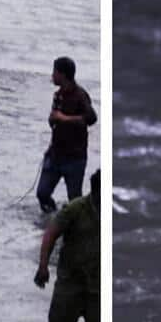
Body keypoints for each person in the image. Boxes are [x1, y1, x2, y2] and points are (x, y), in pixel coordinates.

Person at [34, 169, 99, 322]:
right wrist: (43, 266)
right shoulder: (75, 209)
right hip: (71, 285)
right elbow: (50, 234)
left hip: (99, 291)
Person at [37, 56, 96, 212]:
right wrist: (52, 119)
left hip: (75, 158)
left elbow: (91, 118)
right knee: (42, 193)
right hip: (55, 154)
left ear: (63, 74)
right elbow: (54, 123)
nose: (52, 76)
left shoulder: (81, 95)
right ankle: (54, 220)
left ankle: (74, 229)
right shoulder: (57, 96)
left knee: (75, 200)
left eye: (54, 72)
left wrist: (64, 118)